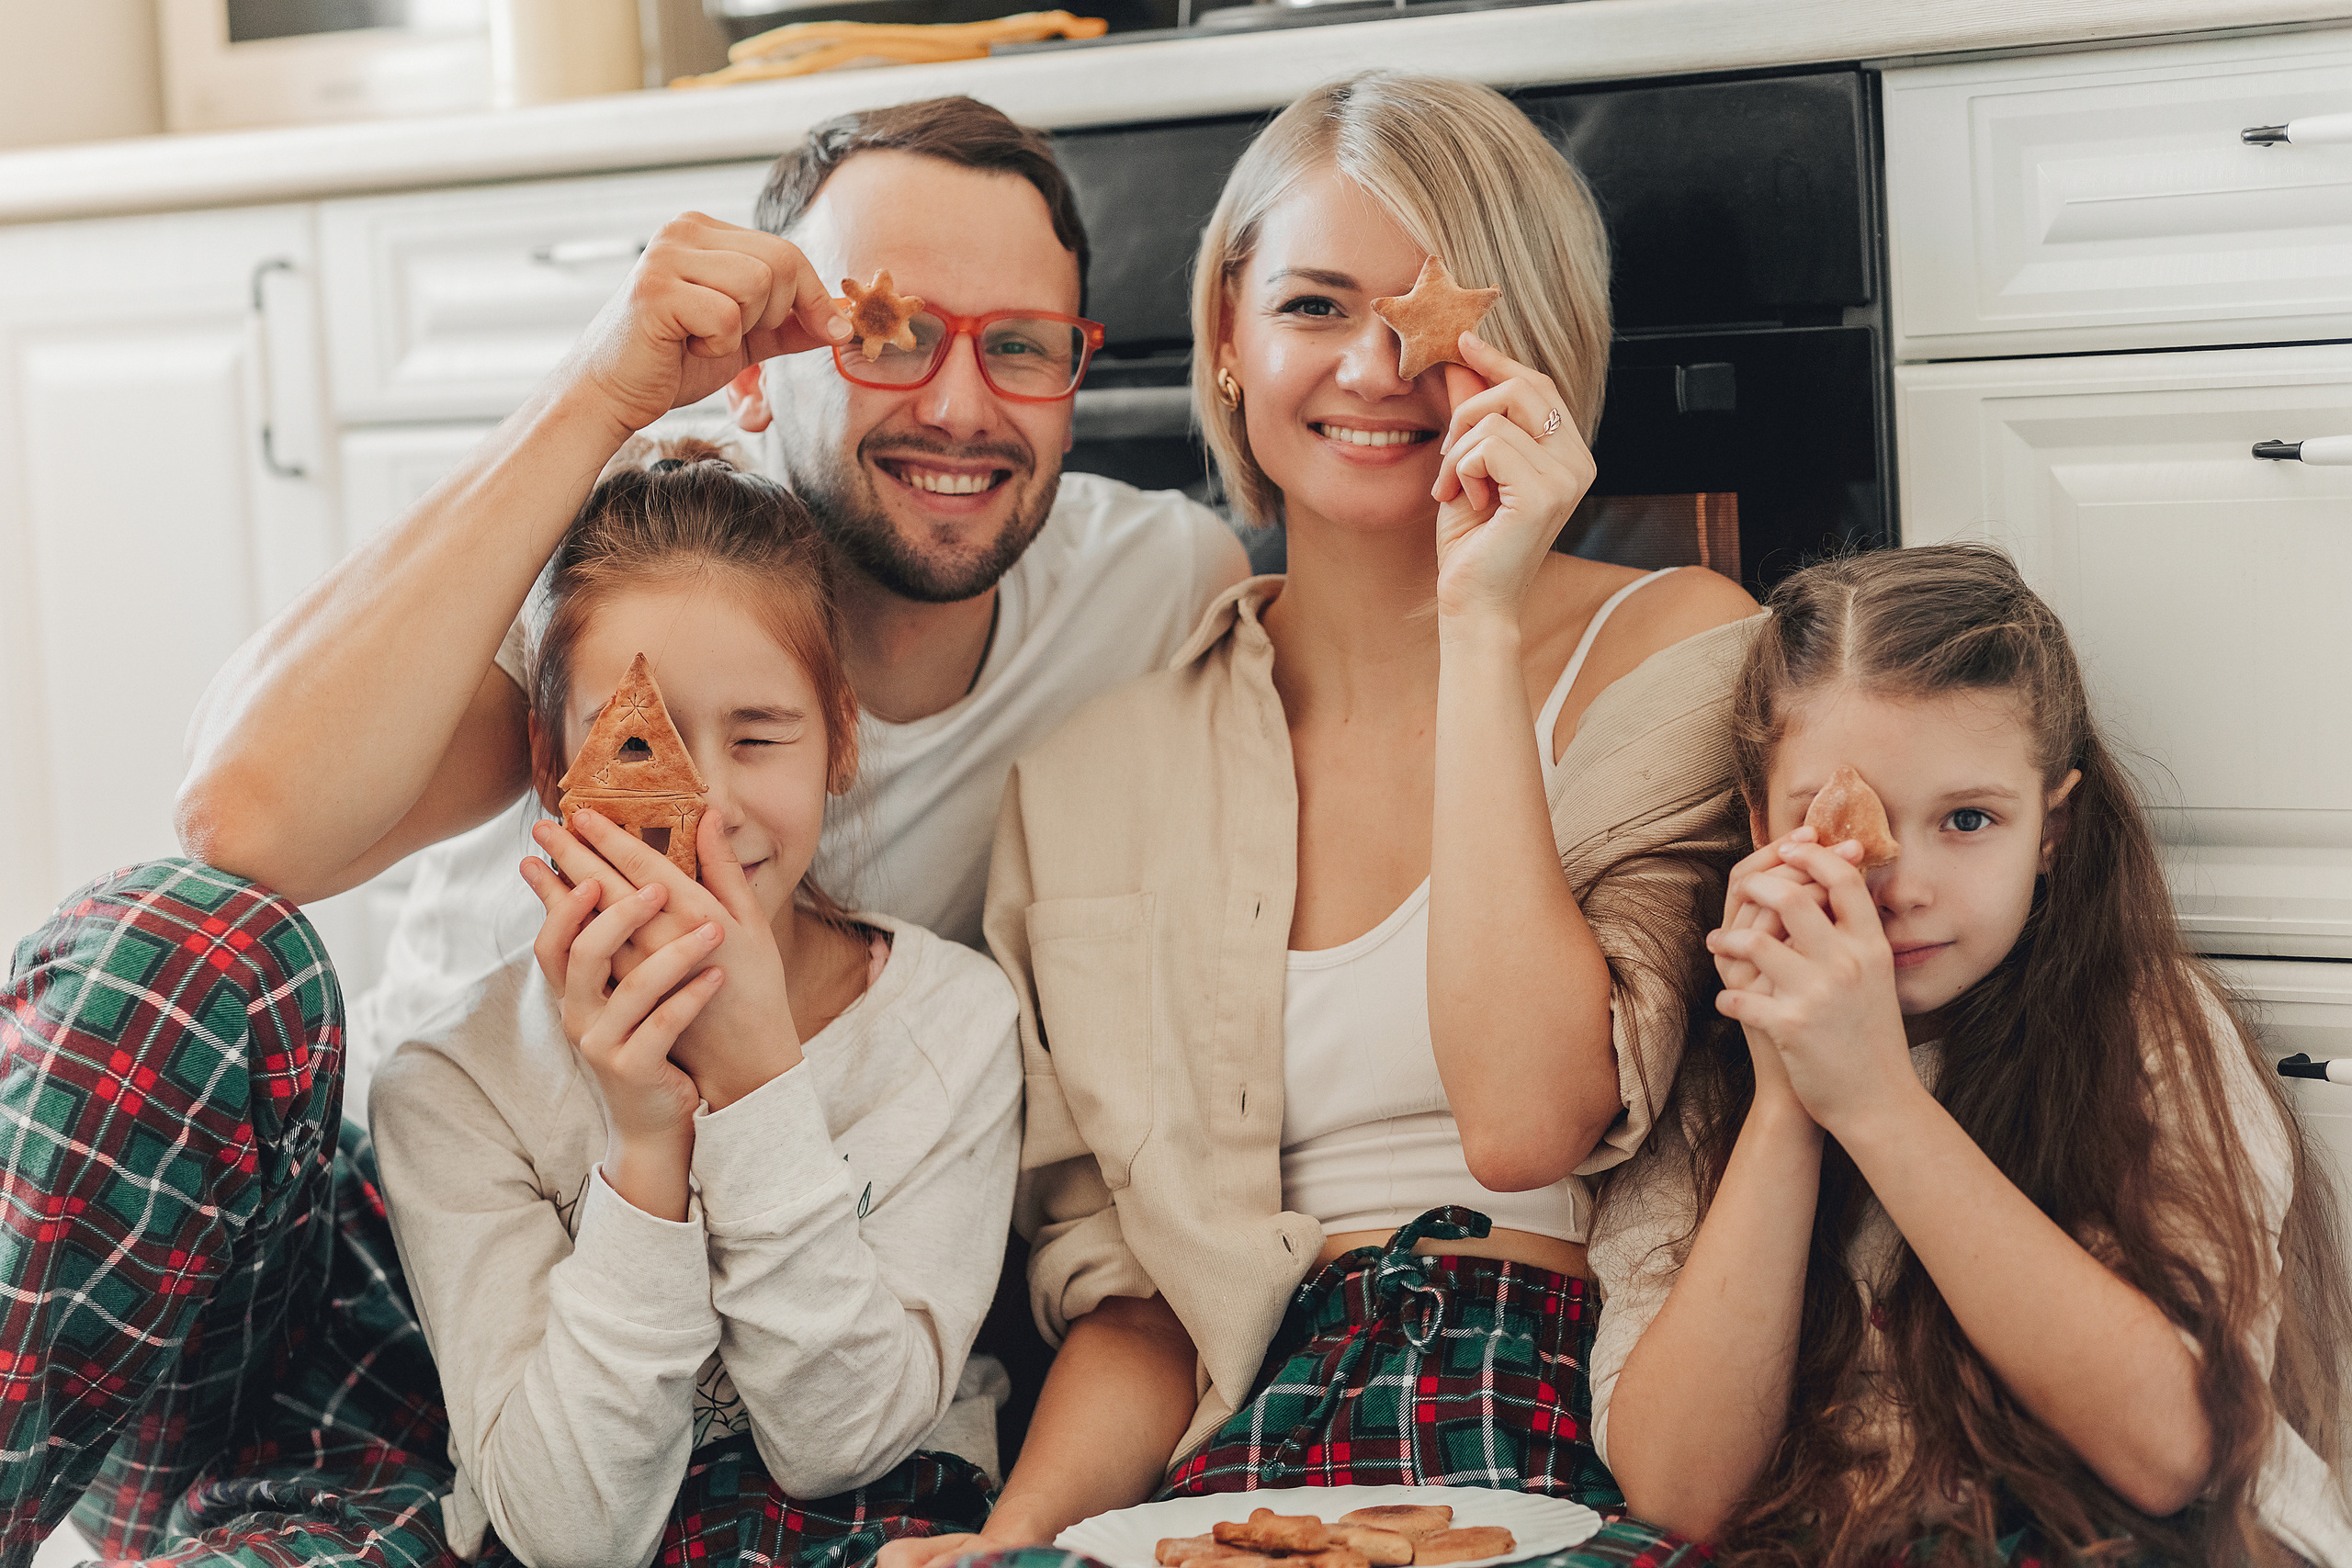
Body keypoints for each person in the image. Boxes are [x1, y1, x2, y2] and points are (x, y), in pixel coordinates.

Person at [886, 72, 1757, 1568]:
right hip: (1243, 1435)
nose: (1375, 365)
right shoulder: (1094, 772)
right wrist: (1015, 1535)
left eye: (1431, 319)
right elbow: (1139, 1299)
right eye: (1310, 306)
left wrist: (1480, 622)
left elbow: (1528, 1116)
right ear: (1227, 337)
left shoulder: (1678, 647)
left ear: (1533, 346)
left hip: (1570, 1401)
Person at [172, 96, 1247, 1096]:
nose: (961, 407)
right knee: (139, 949)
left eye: (1018, 346)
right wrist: (594, 394)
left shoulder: (1159, 587)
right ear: (755, 374)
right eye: (892, 336)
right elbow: (242, 829)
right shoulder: (624, 552)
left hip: (786, 1213)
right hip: (438, 1181)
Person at [1587, 546, 2352, 1566]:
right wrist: (1785, 1106)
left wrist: (1874, 1100)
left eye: (1967, 820)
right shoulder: (1712, 1059)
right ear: (1763, 823)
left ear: (2051, 830)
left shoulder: (2143, 1029)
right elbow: (1684, 1489)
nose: (1901, 884)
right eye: (1842, 822)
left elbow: (2171, 1455)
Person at [369, 440, 1021, 1568]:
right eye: (637, 745)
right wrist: (644, 1145)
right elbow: (571, 1531)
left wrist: (760, 1084)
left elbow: (841, 1441)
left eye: (759, 737)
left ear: (841, 743)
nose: (699, 811)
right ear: (550, 762)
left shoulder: (953, 1027)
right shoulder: (453, 1085)